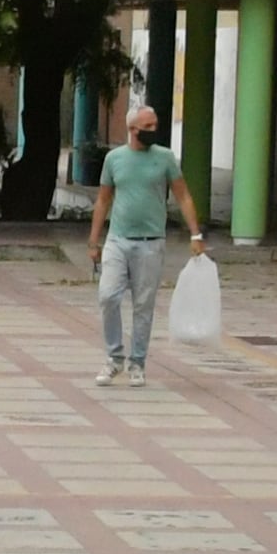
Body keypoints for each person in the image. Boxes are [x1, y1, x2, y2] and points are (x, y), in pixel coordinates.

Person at [92, 96, 201, 384]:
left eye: (156, 124)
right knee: (107, 296)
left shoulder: (165, 157)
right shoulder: (114, 159)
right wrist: (94, 240)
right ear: (132, 129)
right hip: (117, 239)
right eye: (148, 125)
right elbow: (103, 200)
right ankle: (114, 356)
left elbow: (182, 194)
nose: (154, 129)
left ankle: (137, 362)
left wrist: (195, 232)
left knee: (143, 305)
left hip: (151, 242)